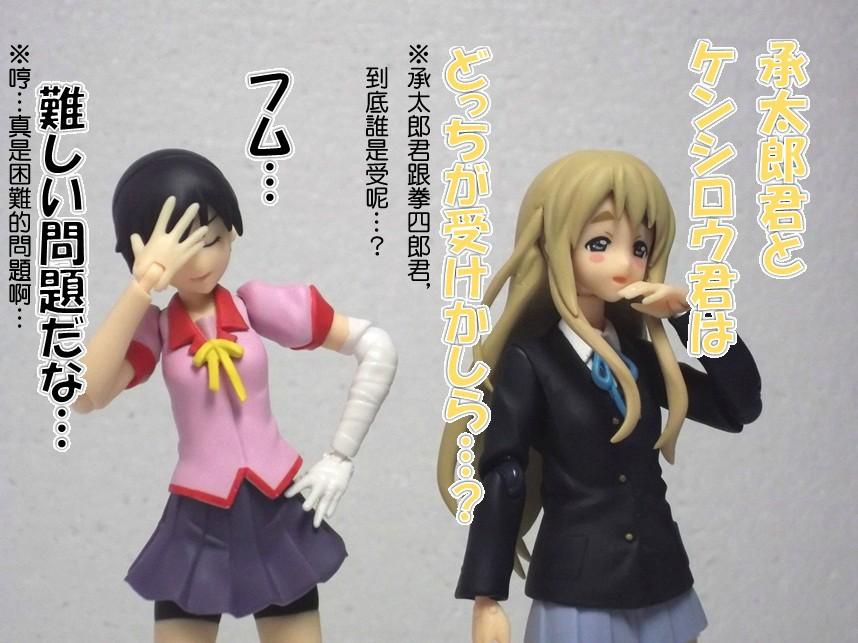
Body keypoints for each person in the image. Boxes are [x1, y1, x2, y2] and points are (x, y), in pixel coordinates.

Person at [437, 150, 762, 643]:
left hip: (661, 575)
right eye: (600, 242)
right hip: (578, 583)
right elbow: (506, 473)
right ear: (553, 243)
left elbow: (737, 407)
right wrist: (487, 596)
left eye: (640, 246)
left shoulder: (640, 356)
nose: (624, 263)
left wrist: (689, 318)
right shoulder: (533, 361)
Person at [74, 149, 397, 643]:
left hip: (276, 502)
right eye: (181, 249)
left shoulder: (255, 306)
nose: (202, 260)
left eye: (213, 239)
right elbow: (84, 395)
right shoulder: (156, 328)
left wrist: (340, 455)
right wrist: (140, 288)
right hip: (197, 515)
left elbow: (377, 347)